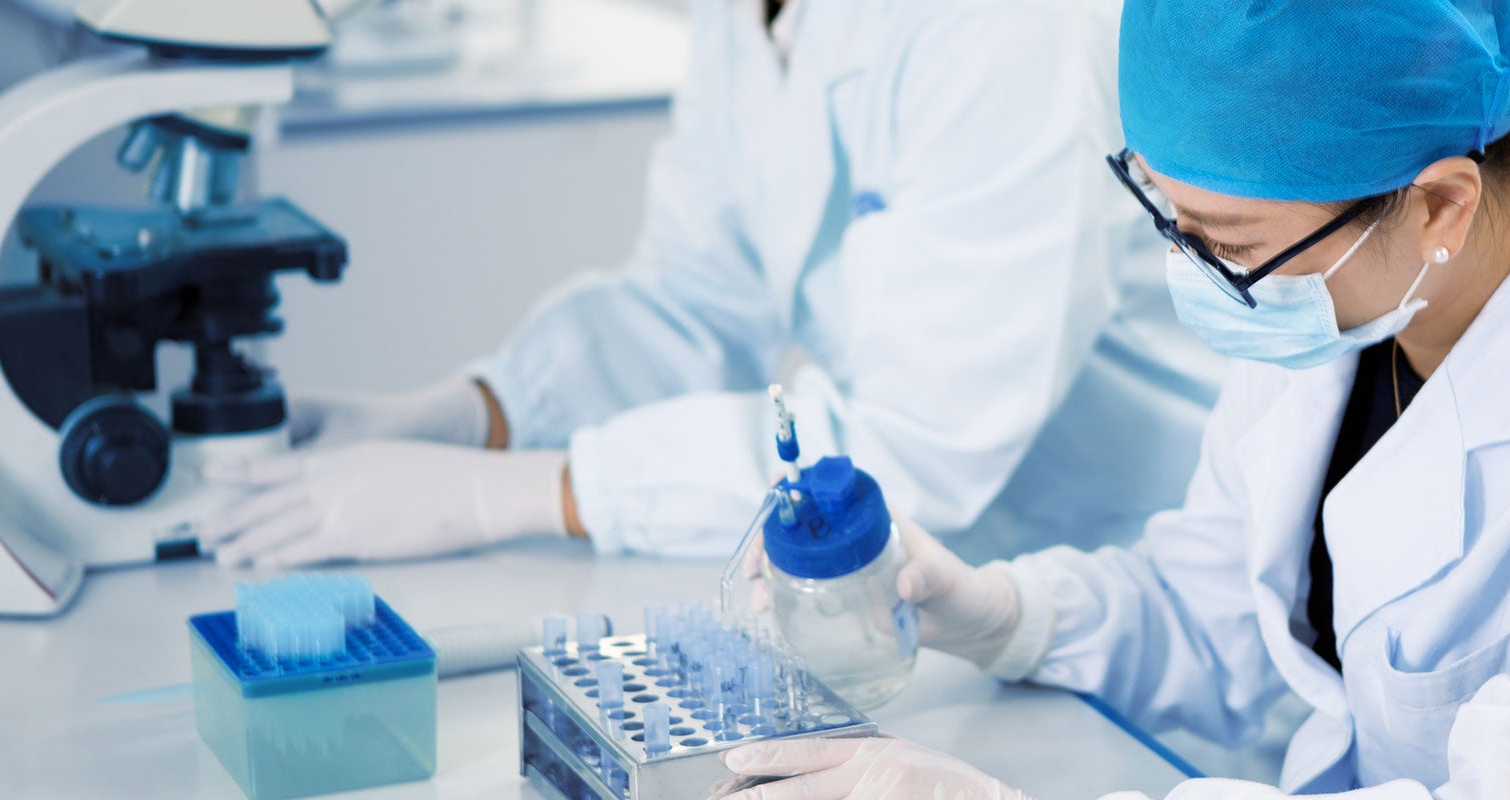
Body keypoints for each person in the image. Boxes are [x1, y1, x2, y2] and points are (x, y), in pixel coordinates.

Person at [712, 0, 1510, 797]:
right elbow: (1214, 607)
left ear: (1441, 204)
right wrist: (986, 606)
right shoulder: (1350, 290)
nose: (1196, 274)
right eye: (1171, 221)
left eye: (1226, 243)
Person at [197, 0, 1221, 568]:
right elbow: (691, 300)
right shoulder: (751, 18)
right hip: (950, 577)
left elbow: (915, 446)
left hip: (1125, 586)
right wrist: (478, 414)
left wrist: (511, 494)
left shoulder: (1003, 29)